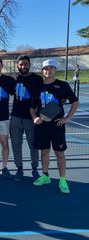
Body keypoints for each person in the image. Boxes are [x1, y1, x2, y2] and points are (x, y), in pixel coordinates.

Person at [31, 59, 79, 194]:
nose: (48, 70)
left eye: (51, 68)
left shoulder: (62, 85)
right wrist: (35, 118)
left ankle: (62, 180)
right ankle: (45, 176)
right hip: (42, 126)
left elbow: (75, 102)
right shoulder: (38, 87)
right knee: (44, 151)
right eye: (46, 68)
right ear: (42, 71)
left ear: (55, 70)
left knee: (60, 153)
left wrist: (67, 118)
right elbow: (32, 107)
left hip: (57, 125)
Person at [10, 55, 42, 181]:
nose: (23, 66)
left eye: (25, 64)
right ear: (17, 65)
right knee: (16, 145)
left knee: (33, 145)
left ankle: (34, 169)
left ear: (29, 64)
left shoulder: (37, 79)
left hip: (31, 118)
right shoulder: (14, 80)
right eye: (21, 64)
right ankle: (19, 169)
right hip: (16, 117)